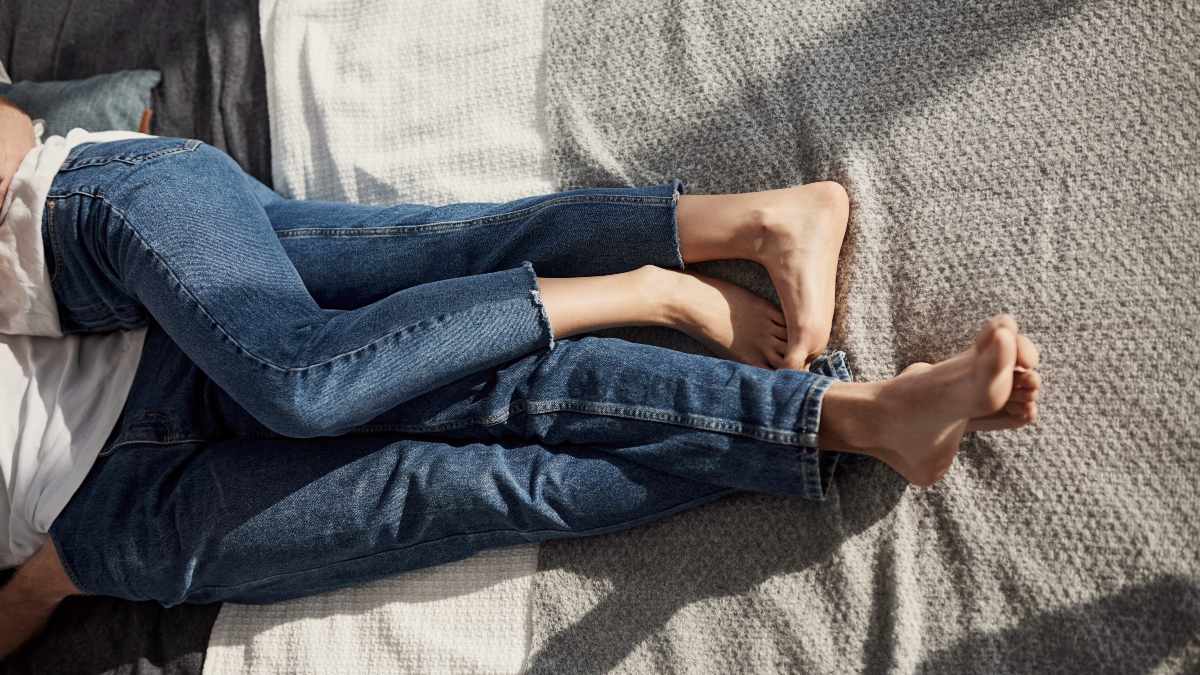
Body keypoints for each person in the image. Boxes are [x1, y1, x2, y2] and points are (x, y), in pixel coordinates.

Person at [0, 95, 1040, 658]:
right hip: (99, 514)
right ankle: (853, 415)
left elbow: (11, 143)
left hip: (107, 273)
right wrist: (50, 577)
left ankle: (651, 291)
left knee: (342, 368)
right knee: (475, 490)